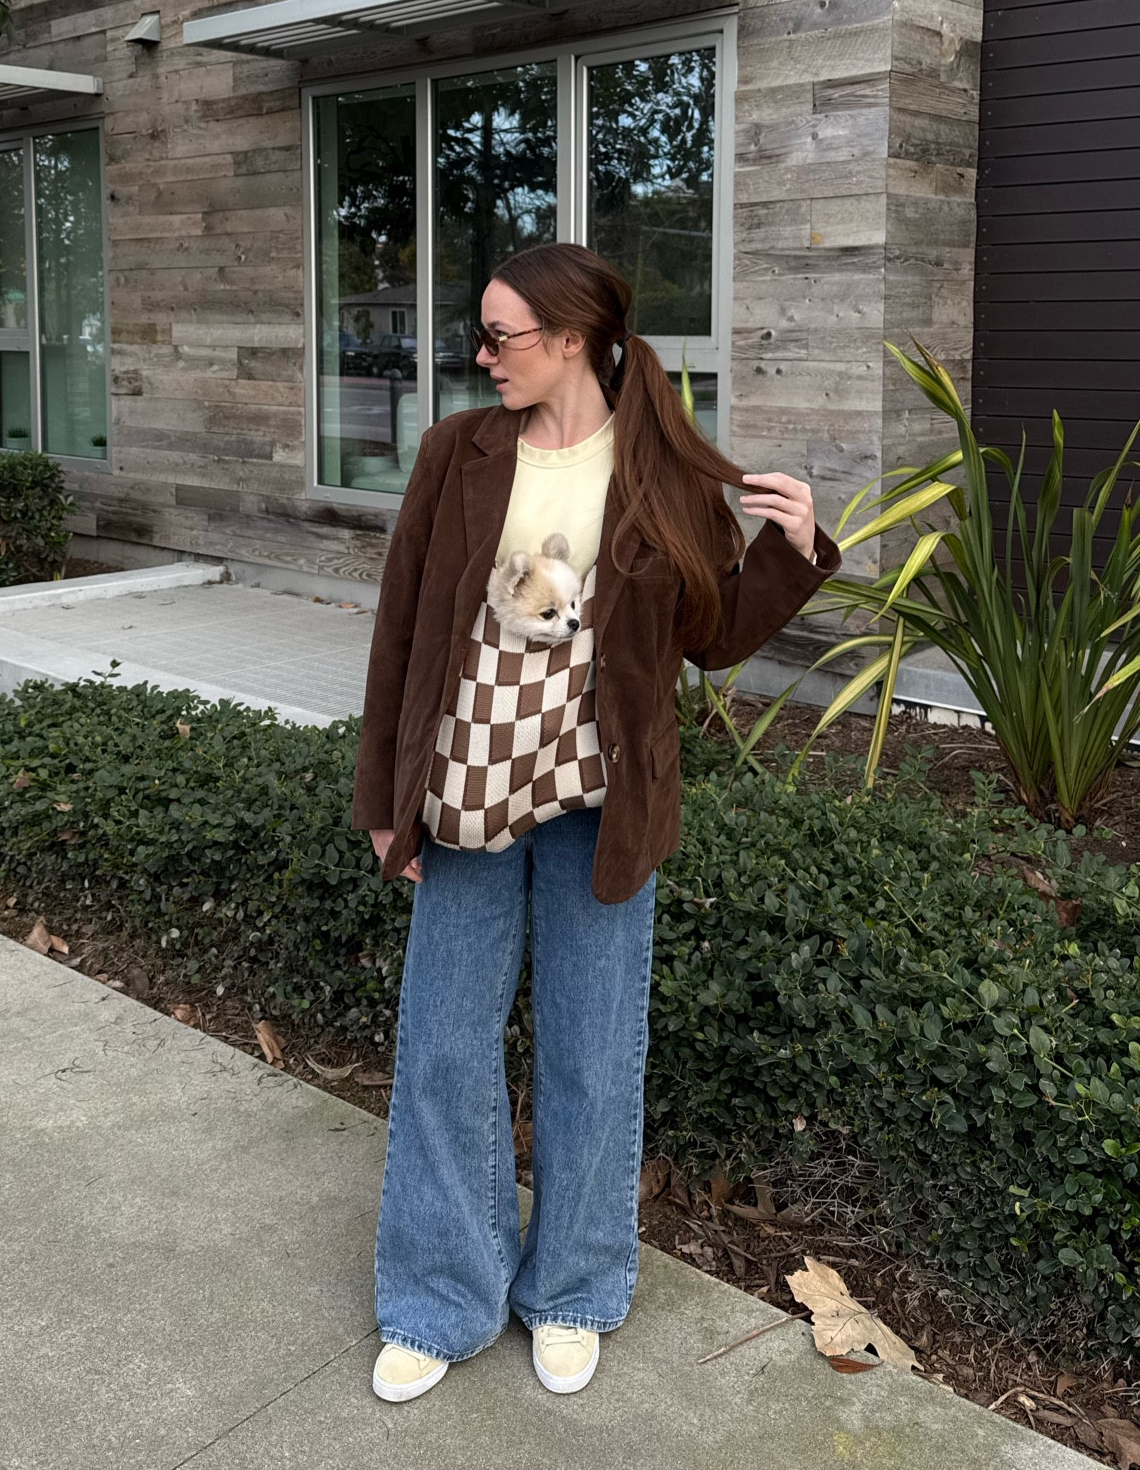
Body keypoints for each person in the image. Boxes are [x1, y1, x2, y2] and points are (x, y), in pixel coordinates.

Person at [352, 242, 839, 1404]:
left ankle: (571, 1287)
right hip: (468, 790)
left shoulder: (658, 469)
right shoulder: (456, 452)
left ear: (572, 339)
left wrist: (792, 551)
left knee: (592, 1052)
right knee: (444, 1047)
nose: (481, 356)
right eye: (480, 335)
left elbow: (708, 640)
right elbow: (401, 631)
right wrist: (383, 801)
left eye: (500, 335)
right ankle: (443, 1295)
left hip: (602, 805)